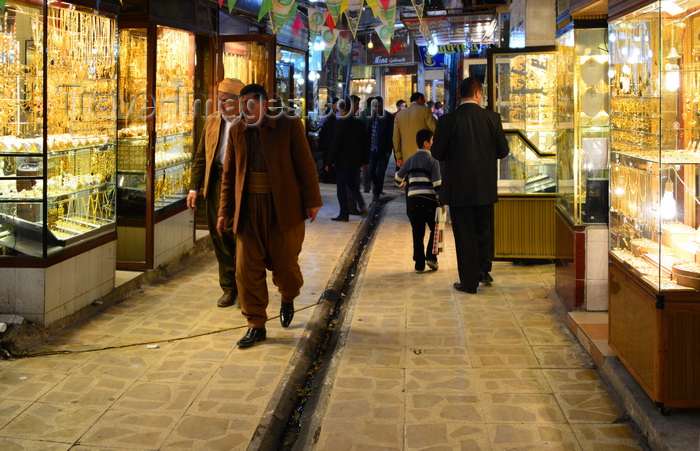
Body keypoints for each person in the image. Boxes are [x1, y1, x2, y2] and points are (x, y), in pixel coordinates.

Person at [216, 83, 322, 348]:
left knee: (286, 265)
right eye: (242, 105)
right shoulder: (238, 130)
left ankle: (288, 296)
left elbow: (305, 165)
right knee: (245, 270)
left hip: (282, 209)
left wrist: (312, 201)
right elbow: (229, 176)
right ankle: (256, 324)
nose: (245, 110)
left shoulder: (288, 125)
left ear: (265, 104)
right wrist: (224, 212)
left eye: (250, 105)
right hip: (249, 211)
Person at [432, 77, 510, 294]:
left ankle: (469, 282)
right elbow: (503, 151)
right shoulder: (492, 118)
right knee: (484, 229)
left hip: (458, 188)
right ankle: (484, 271)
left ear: (461, 94)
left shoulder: (447, 120)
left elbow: (437, 153)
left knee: (464, 233)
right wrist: (485, 154)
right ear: (478, 94)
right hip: (484, 186)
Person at [186, 78, 244, 308]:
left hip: (240, 187)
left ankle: (243, 283)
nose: (221, 104)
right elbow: (201, 156)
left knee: (239, 236)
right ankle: (228, 287)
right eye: (219, 99)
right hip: (216, 183)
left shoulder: (249, 124)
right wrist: (194, 188)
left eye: (226, 100)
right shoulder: (212, 121)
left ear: (239, 102)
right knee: (218, 236)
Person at [395, 129, 442, 273]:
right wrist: (442, 202)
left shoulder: (410, 159)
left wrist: (404, 185)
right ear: (426, 143)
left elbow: (398, 179)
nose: (433, 143)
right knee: (435, 230)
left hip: (412, 202)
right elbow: (437, 185)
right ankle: (431, 257)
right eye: (432, 140)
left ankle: (419, 263)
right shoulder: (433, 161)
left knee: (417, 231)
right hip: (429, 202)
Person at [325, 97, 369, 222]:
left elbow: (336, 144)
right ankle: (361, 203)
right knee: (353, 185)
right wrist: (365, 160)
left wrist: (329, 162)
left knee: (341, 188)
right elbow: (365, 143)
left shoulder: (341, 124)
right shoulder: (359, 124)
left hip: (342, 162)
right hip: (356, 161)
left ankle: (344, 213)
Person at [393, 92, 436, 168]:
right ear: (420, 98)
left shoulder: (399, 115)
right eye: (424, 100)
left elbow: (396, 138)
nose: (424, 102)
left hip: (406, 155)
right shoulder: (425, 110)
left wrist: (398, 156)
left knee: (410, 177)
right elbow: (434, 128)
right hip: (423, 153)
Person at [366, 96, 394, 202]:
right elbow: (369, 131)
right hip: (373, 148)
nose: (377, 108)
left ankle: (377, 192)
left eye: (379, 106)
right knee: (371, 170)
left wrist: (388, 150)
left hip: (383, 150)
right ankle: (377, 188)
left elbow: (390, 134)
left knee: (381, 172)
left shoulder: (388, 117)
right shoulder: (373, 116)